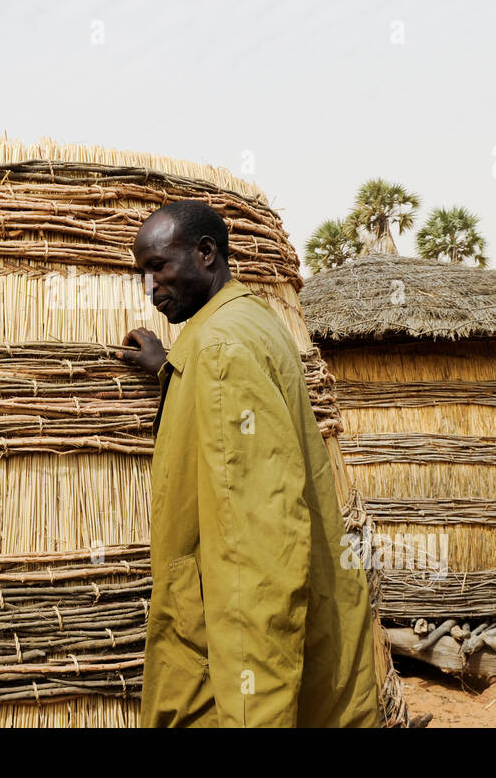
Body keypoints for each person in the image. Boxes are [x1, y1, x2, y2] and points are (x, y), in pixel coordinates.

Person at [120, 200, 379, 727]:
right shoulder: (247, 320)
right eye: (143, 273)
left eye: (159, 267)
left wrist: (253, 704)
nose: (151, 289)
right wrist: (169, 368)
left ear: (207, 253)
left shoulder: (219, 350)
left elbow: (254, 548)